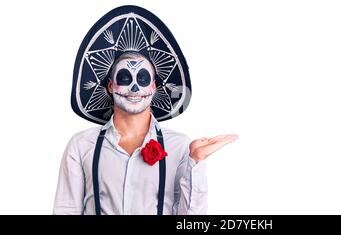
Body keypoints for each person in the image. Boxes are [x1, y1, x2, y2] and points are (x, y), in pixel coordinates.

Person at [53, 5, 237, 215]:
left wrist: (196, 161)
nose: (134, 88)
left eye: (143, 78)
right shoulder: (81, 145)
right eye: (124, 78)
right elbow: (66, 210)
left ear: (153, 86)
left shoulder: (180, 147)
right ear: (110, 85)